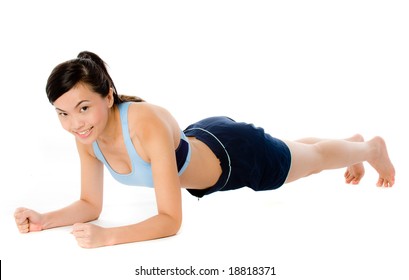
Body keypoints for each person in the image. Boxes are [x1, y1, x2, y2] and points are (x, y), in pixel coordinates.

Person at [14, 51, 396, 248]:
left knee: (310, 162)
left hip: (235, 158)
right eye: (62, 114)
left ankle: (369, 149)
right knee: (295, 151)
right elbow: (90, 205)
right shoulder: (89, 136)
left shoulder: (142, 125)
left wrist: (108, 238)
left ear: (108, 96)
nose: (75, 123)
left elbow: (170, 220)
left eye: (83, 108)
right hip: (204, 138)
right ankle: (353, 145)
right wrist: (45, 218)